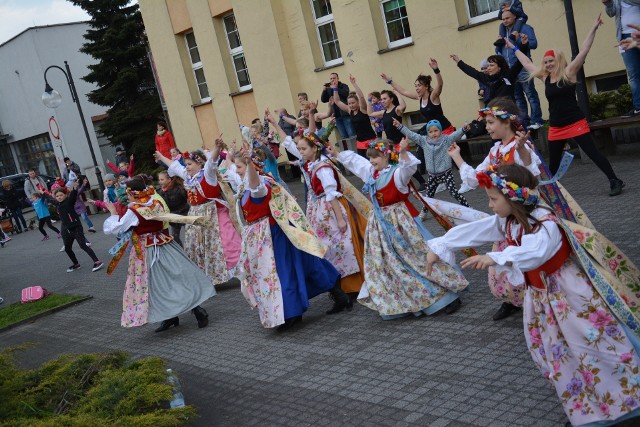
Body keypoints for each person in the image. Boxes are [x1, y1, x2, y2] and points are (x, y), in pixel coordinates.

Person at [426, 163, 640, 427]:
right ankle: (590, 410)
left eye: (493, 199)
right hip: (543, 298)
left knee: (593, 347)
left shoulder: (544, 222)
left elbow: (535, 252)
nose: (490, 205)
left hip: (569, 297)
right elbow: (477, 230)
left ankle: (625, 406)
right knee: (561, 354)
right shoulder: (510, 220)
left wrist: (495, 257)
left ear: (513, 197)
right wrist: (442, 245)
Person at [328, 137, 468, 319]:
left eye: (375, 157)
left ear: (386, 155)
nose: (371, 161)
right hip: (380, 224)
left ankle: (448, 295)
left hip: (400, 224)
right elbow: (357, 163)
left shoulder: (396, 174)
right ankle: (409, 299)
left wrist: (402, 152)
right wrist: (337, 154)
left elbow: (408, 168)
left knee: (418, 257)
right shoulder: (372, 172)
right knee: (392, 264)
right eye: (370, 157)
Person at [509, 14, 626, 196]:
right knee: (553, 162)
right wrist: (514, 47)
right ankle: (549, 191)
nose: (548, 64)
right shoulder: (545, 77)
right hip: (556, 126)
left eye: (551, 61)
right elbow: (526, 62)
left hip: (575, 123)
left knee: (593, 153)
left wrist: (594, 27)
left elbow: (584, 50)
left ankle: (614, 180)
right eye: (546, 61)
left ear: (559, 60)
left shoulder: (569, 73)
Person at [232, 146, 346, 331]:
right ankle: (334, 291)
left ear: (250, 166)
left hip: (273, 234)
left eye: (239, 167)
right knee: (303, 263)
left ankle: (293, 312)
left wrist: (250, 165)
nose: (236, 171)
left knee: (283, 272)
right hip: (265, 235)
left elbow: (256, 187)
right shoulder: (243, 186)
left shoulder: (260, 183)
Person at [448, 98, 541, 320]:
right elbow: (474, 179)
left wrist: (525, 154)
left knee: (526, 258)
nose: (487, 127)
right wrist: (457, 157)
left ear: (507, 122)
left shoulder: (521, 146)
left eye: (490, 122)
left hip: (525, 215)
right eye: (487, 122)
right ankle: (511, 301)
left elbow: (534, 178)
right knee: (499, 260)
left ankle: (535, 301)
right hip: (506, 215)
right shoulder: (496, 150)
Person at [103, 175, 214, 331]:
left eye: (127, 194)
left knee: (158, 284)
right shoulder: (154, 202)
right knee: (172, 280)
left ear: (132, 194)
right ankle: (172, 316)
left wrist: (113, 213)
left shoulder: (134, 210)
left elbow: (116, 228)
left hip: (148, 250)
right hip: (164, 244)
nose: (127, 197)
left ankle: (195, 310)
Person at [286, 129, 367, 298]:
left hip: (331, 210)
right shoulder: (312, 164)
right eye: (299, 149)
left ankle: (352, 285)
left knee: (342, 246)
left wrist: (340, 219)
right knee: (329, 248)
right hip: (321, 211)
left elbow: (331, 195)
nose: (300, 152)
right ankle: (340, 284)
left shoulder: (323, 167)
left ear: (314, 148)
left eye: (303, 149)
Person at [155, 140, 241, 285]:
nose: (186, 167)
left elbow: (212, 162)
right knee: (198, 246)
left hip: (213, 213)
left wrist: (216, 148)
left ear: (199, 164)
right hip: (196, 214)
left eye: (189, 164)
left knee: (225, 240)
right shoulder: (187, 177)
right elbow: (175, 167)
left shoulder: (207, 175)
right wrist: (162, 157)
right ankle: (207, 276)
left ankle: (236, 271)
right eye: (186, 164)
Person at [393, 118, 470, 207]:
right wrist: (399, 126)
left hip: (446, 173)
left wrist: (464, 129)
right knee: (429, 197)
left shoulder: (446, 140)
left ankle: (467, 207)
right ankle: (424, 212)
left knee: (453, 192)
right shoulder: (423, 141)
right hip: (432, 175)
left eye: (436, 131)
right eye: (430, 132)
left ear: (440, 131)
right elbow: (411, 135)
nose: (433, 133)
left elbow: (455, 135)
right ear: (427, 133)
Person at [368, 87, 428, 190]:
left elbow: (403, 106)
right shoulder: (384, 112)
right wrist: (369, 100)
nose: (382, 101)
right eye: (381, 99)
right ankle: (401, 185)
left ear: (391, 99)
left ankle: (422, 182)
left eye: (385, 99)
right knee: (394, 165)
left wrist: (397, 92)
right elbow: (370, 113)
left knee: (404, 164)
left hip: (400, 143)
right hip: (391, 144)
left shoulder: (397, 110)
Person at [496, 10, 544, 130]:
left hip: (523, 67)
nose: (505, 21)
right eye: (503, 19)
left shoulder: (525, 27)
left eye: (507, 18)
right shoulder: (503, 31)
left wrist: (517, 40)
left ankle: (537, 120)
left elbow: (533, 44)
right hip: (510, 70)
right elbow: (501, 48)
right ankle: (524, 121)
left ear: (515, 16)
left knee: (530, 93)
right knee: (517, 97)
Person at [451, 41, 529, 104]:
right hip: (495, 114)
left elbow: (519, 62)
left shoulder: (509, 75)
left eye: (491, 65)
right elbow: (473, 72)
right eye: (488, 66)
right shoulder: (487, 78)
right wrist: (459, 62)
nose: (488, 68)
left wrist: (523, 45)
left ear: (499, 67)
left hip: (509, 114)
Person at [53, 182, 103, 273]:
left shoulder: (69, 202)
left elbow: (73, 195)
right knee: (67, 248)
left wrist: (75, 188)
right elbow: (50, 198)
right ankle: (76, 264)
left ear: (65, 195)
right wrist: (43, 193)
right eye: (57, 196)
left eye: (61, 195)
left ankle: (97, 261)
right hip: (66, 228)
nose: (59, 197)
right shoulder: (58, 204)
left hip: (75, 227)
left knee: (82, 245)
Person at [603, 0, 640, 116]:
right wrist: (608, 3)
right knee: (633, 75)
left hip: (638, 33)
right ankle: (638, 107)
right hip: (624, 37)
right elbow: (611, 13)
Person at [331, 75, 377, 158]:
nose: (351, 105)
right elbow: (337, 101)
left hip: (370, 141)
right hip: (360, 143)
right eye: (349, 103)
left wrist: (354, 83)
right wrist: (335, 88)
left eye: (353, 103)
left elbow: (361, 97)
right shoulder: (349, 111)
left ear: (357, 102)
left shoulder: (363, 109)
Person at [156, 171, 189, 247]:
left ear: (169, 180)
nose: (160, 182)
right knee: (175, 236)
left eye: (162, 179)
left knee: (190, 233)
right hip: (173, 216)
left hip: (185, 213)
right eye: (159, 180)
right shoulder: (159, 192)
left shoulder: (179, 189)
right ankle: (181, 252)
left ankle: (191, 249)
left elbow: (188, 197)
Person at [320, 73, 355, 140]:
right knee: (343, 136)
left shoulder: (343, 86)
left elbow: (346, 94)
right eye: (331, 78)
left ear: (338, 79)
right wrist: (324, 91)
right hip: (337, 116)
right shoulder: (329, 88)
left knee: (351, 134)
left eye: (334, 78)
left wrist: (336, 88)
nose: (332, 80)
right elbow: (323, 100)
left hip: (345, 114)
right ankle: (347, 150)